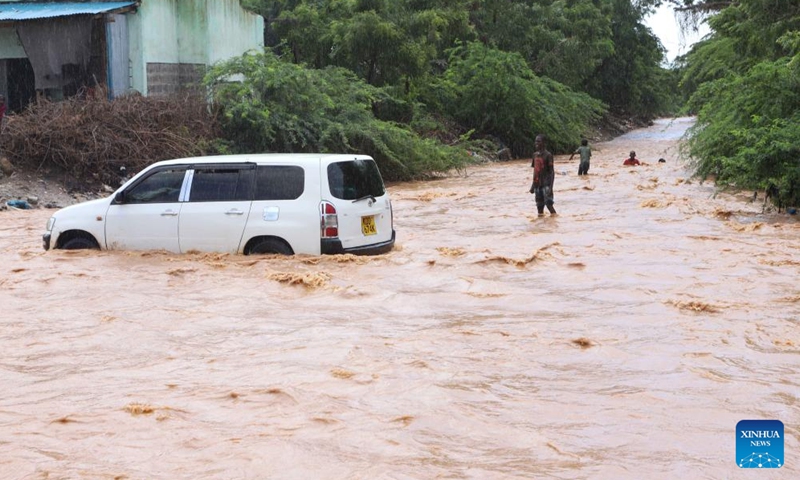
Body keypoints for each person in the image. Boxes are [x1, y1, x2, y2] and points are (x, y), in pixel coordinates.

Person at [529, 134, 556, 216]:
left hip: (546, 184)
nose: (536, 143)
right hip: (537, 185)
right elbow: (535, 171)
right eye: (535, 141)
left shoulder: (548, 155)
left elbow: (552, 172)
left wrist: (551, 187)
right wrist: (533, 185)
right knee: (539, 207)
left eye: (538, 141)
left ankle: (554, 220)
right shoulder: (535, 155)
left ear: (544, 143)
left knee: (549, 204)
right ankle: (541, 225)